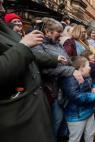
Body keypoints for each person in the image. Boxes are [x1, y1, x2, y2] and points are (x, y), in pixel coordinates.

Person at [0, 0, 62, 141]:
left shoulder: (6, 31)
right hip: (17, 118)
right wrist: (24, 45)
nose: (3, 8)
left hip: (34, 110)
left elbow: (31, 55)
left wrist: (54, 58)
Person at [32, 18, 84, 137]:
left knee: (61, 119)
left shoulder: (57, 44)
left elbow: (66, 61)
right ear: (47, 31)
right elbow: (45, 69)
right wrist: (71, 70)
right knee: (56, 119)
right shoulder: (38, 45)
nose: (60, 35)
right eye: (57, 32)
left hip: (61, 88)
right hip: (49, 90)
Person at [60, 56, 95, 142]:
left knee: (90, 134)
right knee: (75, 139)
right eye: (88, 65)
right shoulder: (70, 79)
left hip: (89, 111)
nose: (90, 67)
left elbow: (92, 84)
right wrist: (92, 96)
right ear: (81, 68)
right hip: (76, 116)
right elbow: (75, 96)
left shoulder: (86, 75)